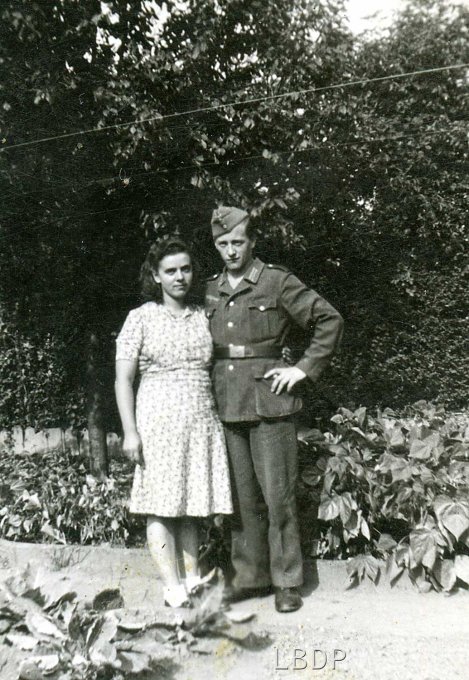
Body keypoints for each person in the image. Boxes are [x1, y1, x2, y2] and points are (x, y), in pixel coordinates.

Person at [206, 206, 344, 613]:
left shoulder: (276, 281)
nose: (231, 251)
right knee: (242, 499)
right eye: (223, 244)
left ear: (252, 242)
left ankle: (287, 581)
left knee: (278, 496)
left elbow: (329, 320)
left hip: (270, 402)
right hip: (227, 403)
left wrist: (302, 369)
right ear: (215, 245)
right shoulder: (209, 289)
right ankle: (251, 578)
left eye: (238, 242)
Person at [114, 238, 233, 608]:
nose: (180, 277)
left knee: (192, 505)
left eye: (185, 268)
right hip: (158, 422)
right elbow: (123, 380)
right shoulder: (141, 317)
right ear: (156, 276)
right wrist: (130, 432)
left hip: (200, 421)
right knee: (162, 505)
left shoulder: (203, 314)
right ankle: (172, 586)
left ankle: (193, 579)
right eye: (170, 271)